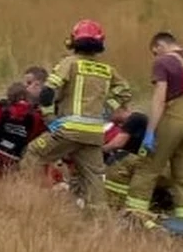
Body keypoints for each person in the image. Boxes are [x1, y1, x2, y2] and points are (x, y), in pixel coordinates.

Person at [19, 19, 133, 207]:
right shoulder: (107, 70)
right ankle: (99, 218)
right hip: (95, 133)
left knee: (33, 154)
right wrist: (106, 110)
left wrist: (49, 118)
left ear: (74, 41)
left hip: (69, 129)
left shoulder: (70, 63)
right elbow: (125, 91)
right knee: (95, 178)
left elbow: (48, 91)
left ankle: (31, 203)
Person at [121, 31, 183, 232]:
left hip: (172, 120)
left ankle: (134, 222)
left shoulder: (163, 62)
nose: (155, 57)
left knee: (148, 169)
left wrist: (150, 132)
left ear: (158, 46)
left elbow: (159, 99)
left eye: (154, 53)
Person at [0, 81, 48, 176]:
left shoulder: (1, 110)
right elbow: (38, 134)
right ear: (26, 96)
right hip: (16, 159)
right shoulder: (36, 115)